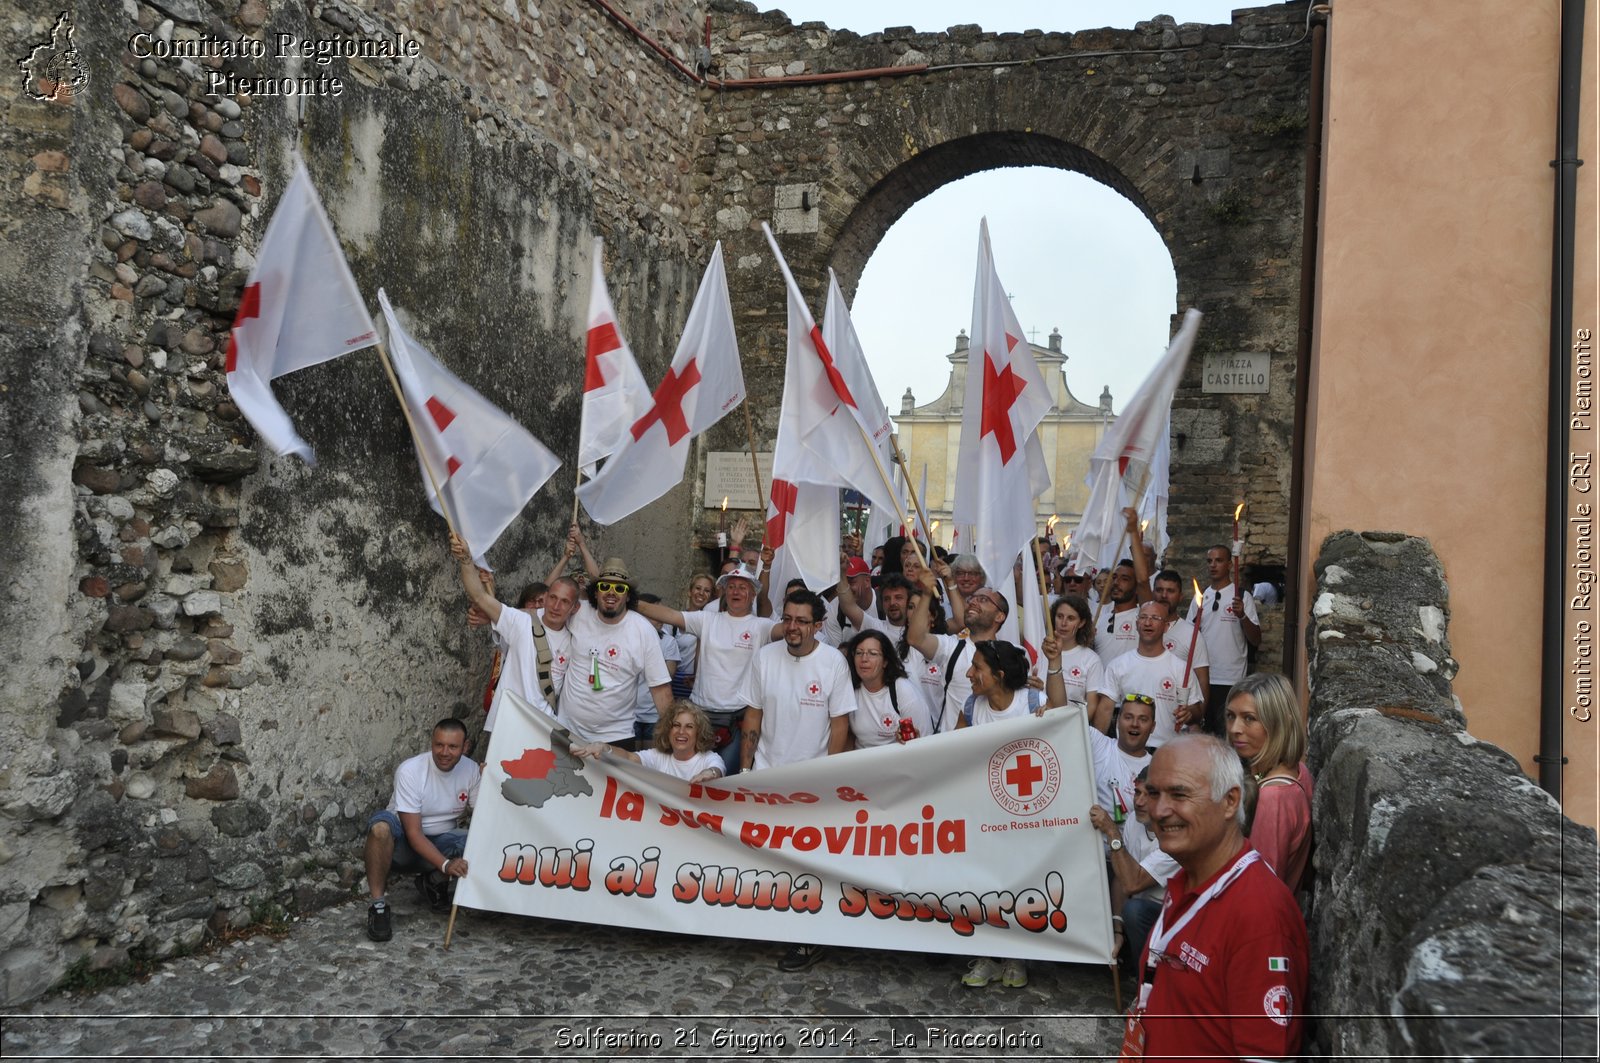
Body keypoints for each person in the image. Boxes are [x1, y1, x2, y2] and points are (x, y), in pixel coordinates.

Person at [1124, 734, 1307, 1061]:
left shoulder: (1260, 915)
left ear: (1230, 801)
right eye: (1154, 793)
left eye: (1179, 794)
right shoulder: (1186, 877)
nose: (1160, 810)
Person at [737, 588, 854, 973]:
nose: (792, 627)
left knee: (809, 864)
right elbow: (752, 716)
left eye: (802, 621)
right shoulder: (764, 657)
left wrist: (830, 780)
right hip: (768, 776)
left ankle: (807, 941)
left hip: (812, 781)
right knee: (767, 859)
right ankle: (766, 924)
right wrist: (746, 771)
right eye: (787, 618)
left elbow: (840, 726)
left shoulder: (833, 662)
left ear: (818, 625)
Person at [957, 639, 1064, 990]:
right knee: (984, 883)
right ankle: (987, 956)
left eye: (977, 668)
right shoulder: (972, 706)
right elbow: (950, 753)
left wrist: (1053, 664)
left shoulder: (1030, 703)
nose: (970, 674)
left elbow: (1061, 723)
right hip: (983, 814)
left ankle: (1016, 956)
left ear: (999, 675)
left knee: (1020, 884)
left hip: (1023, 813)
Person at [636, 562, 768, 775]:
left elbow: (791, 629)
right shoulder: (706, 619)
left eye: (743, 587)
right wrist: (627, 599)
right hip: (700, 716)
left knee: (724, 779)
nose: (736, 591)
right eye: (732, 586)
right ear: (724, 591)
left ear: (752, 595)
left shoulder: (762, 626)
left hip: (737, 719)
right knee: (691, 776)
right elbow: (668, 614)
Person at [362, 718, 481, 941]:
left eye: (453, 746)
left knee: (481, 841)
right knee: (379, 829)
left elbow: (484, 818)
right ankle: (378, 907)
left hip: (442, 841)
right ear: (432, 743)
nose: (444, 752)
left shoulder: (471, 770)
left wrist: (492, 780)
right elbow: (414, 834)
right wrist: (446, 865)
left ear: (465, 747)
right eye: (439, 745)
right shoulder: (411, 770)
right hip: (403, 845)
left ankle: (433, 883)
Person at [451, 534, 559, 754]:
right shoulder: (520, 624)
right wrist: (466, 560)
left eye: (544, 601)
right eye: (534, 602)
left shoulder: (571, 629)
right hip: (508, 720)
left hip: (545, 725)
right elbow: (482, 599)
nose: (540, 606)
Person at [559, 557, 672, 749]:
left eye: (620, 588)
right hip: (567, 730)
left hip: (615, 737)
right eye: (605, 586)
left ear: (628, 596)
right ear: (596, 592)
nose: (611, 592)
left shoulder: (643, 630)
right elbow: (544, 611)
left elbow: (660, 689)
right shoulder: (577, 612)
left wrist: (673, 737)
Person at [1225, 672, 1314, 895]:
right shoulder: (1299, 771)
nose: (1235, 728)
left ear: (1278, 723)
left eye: (1249, 718)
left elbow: (1260, 888)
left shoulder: (1272, 798)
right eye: (1230, 716)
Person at [1089, 766, 1176, 972]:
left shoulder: (1175, 835)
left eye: (1149, 795)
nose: (1139, 802)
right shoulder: (1133, 822)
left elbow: (1131, 882)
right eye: (1137, 792)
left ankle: (1146, 980)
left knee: (1134, 911)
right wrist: (1117, 930)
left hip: (1171, 918)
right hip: (1138, 914)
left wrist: (1112, 832)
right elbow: (1121, 875)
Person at [1090, 601, 1204, 744]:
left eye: (1155, 618)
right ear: (1137, 624)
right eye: (1143, 617)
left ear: (1166, 627)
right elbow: (1105, 710)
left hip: (1166, 751)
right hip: (1127, 751)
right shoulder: (1118, 665)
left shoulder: (1180, 668)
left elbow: (1197, 711)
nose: (1148, 622)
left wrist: (1189, 713)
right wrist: (1096, 747)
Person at [906, 565, 1003, 732]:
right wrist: (927, 593)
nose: (973, 602)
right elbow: (915, 638)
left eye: (983, 600)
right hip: (951, 748)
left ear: (999, 616)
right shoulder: (951, 646)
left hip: (990, 748)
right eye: (973, 598)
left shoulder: (1012, 654)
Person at [1187, 544, 1262, 735]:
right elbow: (1189, 636)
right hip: (1203, 677)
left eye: (1219, 560)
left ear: (1229, 564)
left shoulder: (1242, 597)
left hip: (1231, 677)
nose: (1213, 565)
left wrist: (1242, 616)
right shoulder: (1200, 598)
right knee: (1203, 732)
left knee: (1227, 733)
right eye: (1209, 561)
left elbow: (1256, 640)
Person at [572, 701, 723, 784]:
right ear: (668, 730)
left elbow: (717, 770)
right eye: (676, 725)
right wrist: (604, 747)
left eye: (689, 727)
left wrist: (709, 773)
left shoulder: (709, 758)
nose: (681, 731)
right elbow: (629, 757)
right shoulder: (658, 756)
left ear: (699, 733)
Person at [841, 629, 930, 748]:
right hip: (863, 763)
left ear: (885, 662)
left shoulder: (903, 690)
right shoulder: (849, 688)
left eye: (872, 653)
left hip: (897, 762)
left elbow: (924, 738)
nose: (864, 659)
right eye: (859, 653)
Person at [632, 593, 682, 747]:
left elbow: (667, 676)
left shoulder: (668, 642)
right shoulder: (628, 639)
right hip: (629, 715)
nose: (660, 618)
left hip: (653, 715)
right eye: (655, 613)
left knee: (649, 763)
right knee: (628, 763)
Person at [1152, 569, 1209, 694]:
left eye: (1170, 591)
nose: (1164, 595)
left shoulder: (1191, 634)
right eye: (1159, 590)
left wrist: (1198, 712)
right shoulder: (1143, 628)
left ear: (1180, 596)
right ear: (1153, 592)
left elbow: (1202, 681)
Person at [1043, 595, 1104, 709]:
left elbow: (1091, 708)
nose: (1063, 623)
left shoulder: (1091, 660)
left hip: (1073, 724)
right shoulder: (1040, 652)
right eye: (1060, 616)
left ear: (1081, 623)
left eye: (1071, 618)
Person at [666, 573, 716, 699]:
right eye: (698, 588)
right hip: (673, 681)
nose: (701, 593)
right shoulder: (674, 622)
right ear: (689, 591)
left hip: (699, 683)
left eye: (707, 591)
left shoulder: (713, 624)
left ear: (711, 597)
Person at [1092, 560, 1143, 666]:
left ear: (1138, 587)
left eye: (1124, 579)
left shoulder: (1143, 619)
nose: (1116, 582)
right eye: (1114, 577)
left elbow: (1144, 581)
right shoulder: (1099, 620)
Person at [820, 556, 874, 647]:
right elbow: (835, 653)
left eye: (851, 582)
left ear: (867, 581)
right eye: (843, 582)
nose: (846, 588)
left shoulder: (885, 604)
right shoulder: (834, 609)